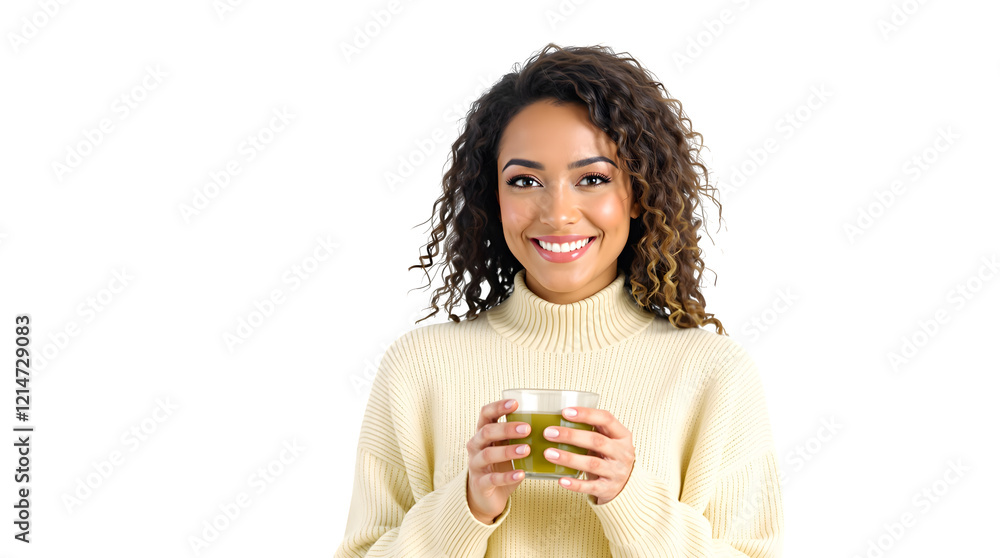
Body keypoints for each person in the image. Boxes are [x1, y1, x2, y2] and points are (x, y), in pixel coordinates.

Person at [334, 43, 784, 557]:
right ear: (493, 197)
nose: (558, 213)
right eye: (525, 181)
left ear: (638, 193)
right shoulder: (418, 367)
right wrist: (467, 507)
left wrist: (631, 497)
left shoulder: (715, 374)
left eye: (593, 179)